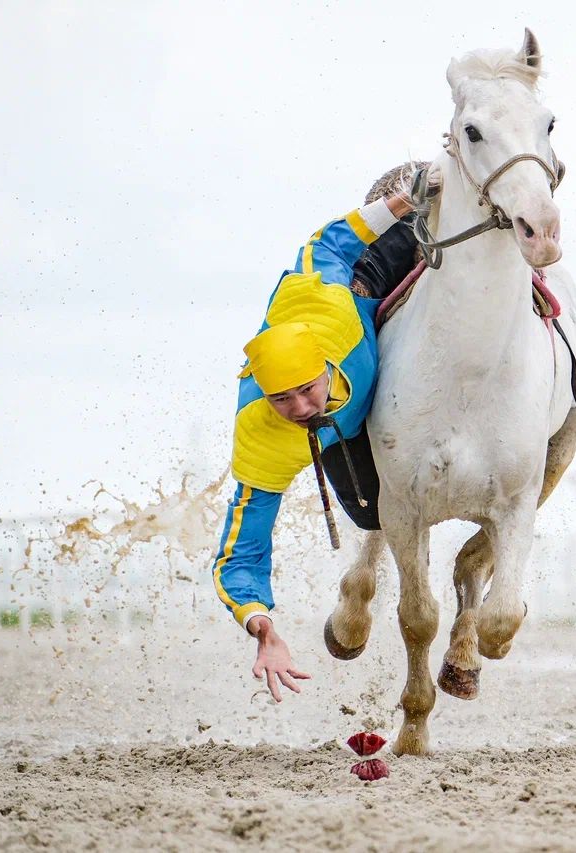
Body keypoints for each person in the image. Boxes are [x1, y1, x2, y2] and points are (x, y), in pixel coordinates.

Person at [211, 168, 427, 702]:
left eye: (307, 390)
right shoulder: (263, 434)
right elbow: (239, 554)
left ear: (326, 363)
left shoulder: (323, 297)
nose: (301, 408)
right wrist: (261, 626)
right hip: (345, 438)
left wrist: (401, 202)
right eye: (283, 399)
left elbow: (333, 239)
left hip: (359, 298)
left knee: (426, 230)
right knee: (372, 515)